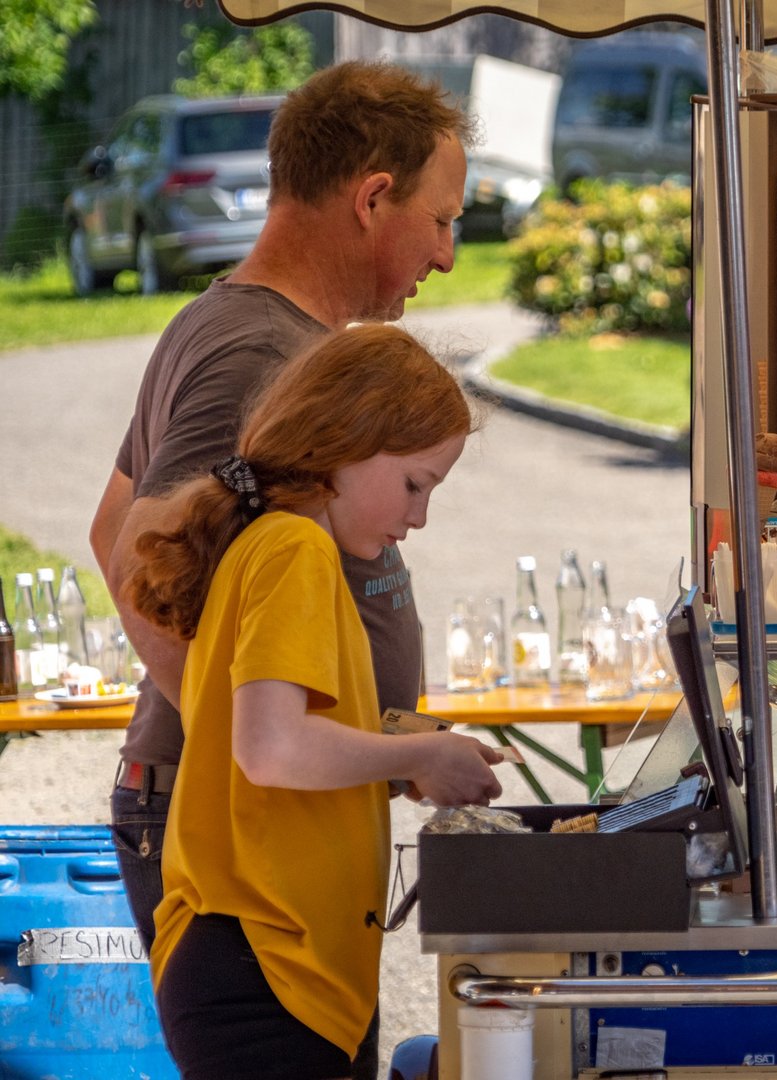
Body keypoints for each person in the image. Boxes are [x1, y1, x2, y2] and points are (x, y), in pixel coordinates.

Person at [87, 59, 469, 1080]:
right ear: (372, 197)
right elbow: (134, 550)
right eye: (440, 220)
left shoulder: (248, 330)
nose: (445, 253)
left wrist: (350, 737)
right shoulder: (260, 356)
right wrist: (262, 732)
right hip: (250, 880)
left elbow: (113, 522)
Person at [123, 323, 504, 1080]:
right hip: (263, 964)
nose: (420, 516)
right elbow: (272, 748)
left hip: (264, 961)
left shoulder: (277, 543)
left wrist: (409, 753)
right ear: (345, 442)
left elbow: (284, 733)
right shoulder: (294, 549)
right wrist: (422, 752)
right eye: (415, 484)